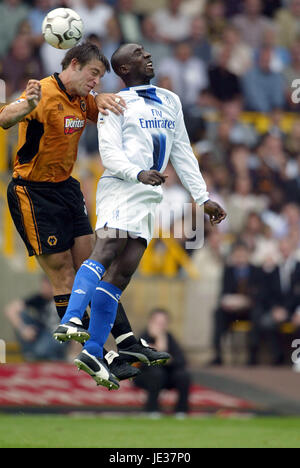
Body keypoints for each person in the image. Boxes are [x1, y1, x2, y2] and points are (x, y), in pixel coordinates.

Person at [55, 43, 227, 389]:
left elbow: (181, 152)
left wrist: (202, 197)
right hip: (122, 188)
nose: (147, 55)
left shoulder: (171, 100)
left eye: (145, 52)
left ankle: (92, 349)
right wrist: (137, 174)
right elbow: (109, 155)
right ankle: (72, 320)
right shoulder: (114, 103)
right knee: (105, 251)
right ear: (123, 69)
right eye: (137, 53)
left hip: (150, 196)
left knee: (121, 276)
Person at [0, 42, 166, 385]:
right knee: (62, 271)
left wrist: (103, 98)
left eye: (100, 77)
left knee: (93, 264)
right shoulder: (41, 93)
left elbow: (102, 109)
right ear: (73, 65)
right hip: (32, 192)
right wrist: (24, 106)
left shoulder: (82, 99)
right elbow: (4, 119)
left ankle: (124, 343)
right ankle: (94, 355)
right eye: (93, 74)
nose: (96, 82)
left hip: (66, 189)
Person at [134, 308, 191, 417]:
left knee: (183, 376)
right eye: (158, 323)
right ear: (150, 322)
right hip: (146, 376)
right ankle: (152, 410)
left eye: (163, 323)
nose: (161, 326)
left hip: (167, 375)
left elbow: (181, 360)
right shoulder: (143, 337)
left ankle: (181, 411)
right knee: (156, 374)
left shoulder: (169, 337)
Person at [4, 276, 66, 361]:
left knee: (41, 351)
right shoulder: (39, 298)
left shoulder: (64, 299)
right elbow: (10, 309)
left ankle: (52, 356)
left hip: (58, 336)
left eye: (46, 286)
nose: (43, 289)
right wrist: (23, 329)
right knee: (22, 315)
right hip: (43, 333)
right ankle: (31, 354)